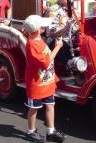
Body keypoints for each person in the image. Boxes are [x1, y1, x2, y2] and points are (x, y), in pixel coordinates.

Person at [23, 15, 66, 143]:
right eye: (42, 26)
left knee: (50, 105)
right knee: (34, 108)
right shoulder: (32, 45)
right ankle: (31, 131)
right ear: (38, 29)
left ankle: (51, 131)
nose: (44, 28)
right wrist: (58, 47)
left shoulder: (39, 39)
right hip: (36, 83)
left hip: (46, 80)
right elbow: (46, 62)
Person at [45, 0, 78, 68]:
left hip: (72, 39)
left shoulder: (74, 9)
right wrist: (67, 26)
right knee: (61, 43)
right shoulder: (53, 10)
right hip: (58, 40)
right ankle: (71, 67)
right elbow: (53, 33)